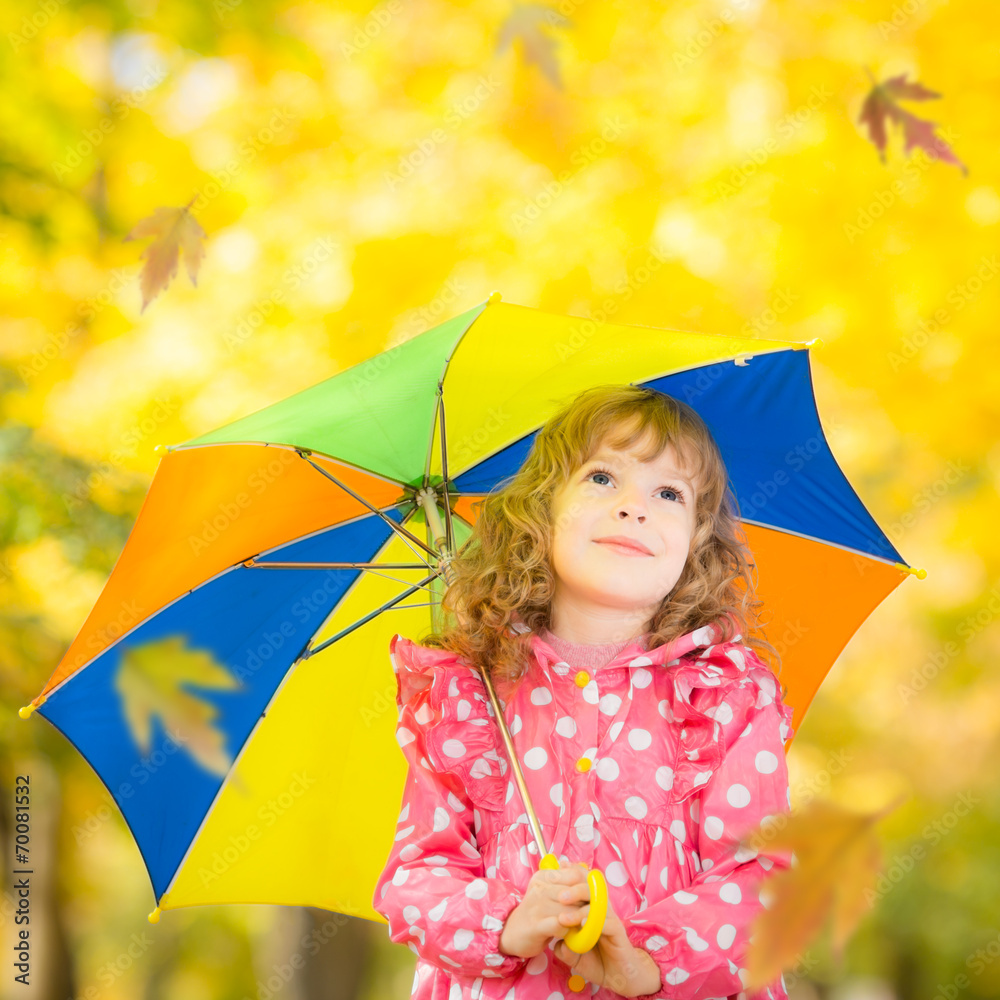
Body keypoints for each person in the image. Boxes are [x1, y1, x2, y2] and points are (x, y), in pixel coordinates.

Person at [372, 385, 797, 999]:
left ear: (697, 541)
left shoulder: (722, 697)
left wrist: (648, 961)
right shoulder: (472, 696)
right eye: (602, 478)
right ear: (541, 511)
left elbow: (758, 875)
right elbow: (419, 873)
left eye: (669, 493)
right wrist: (509, 924)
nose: (634, 507)